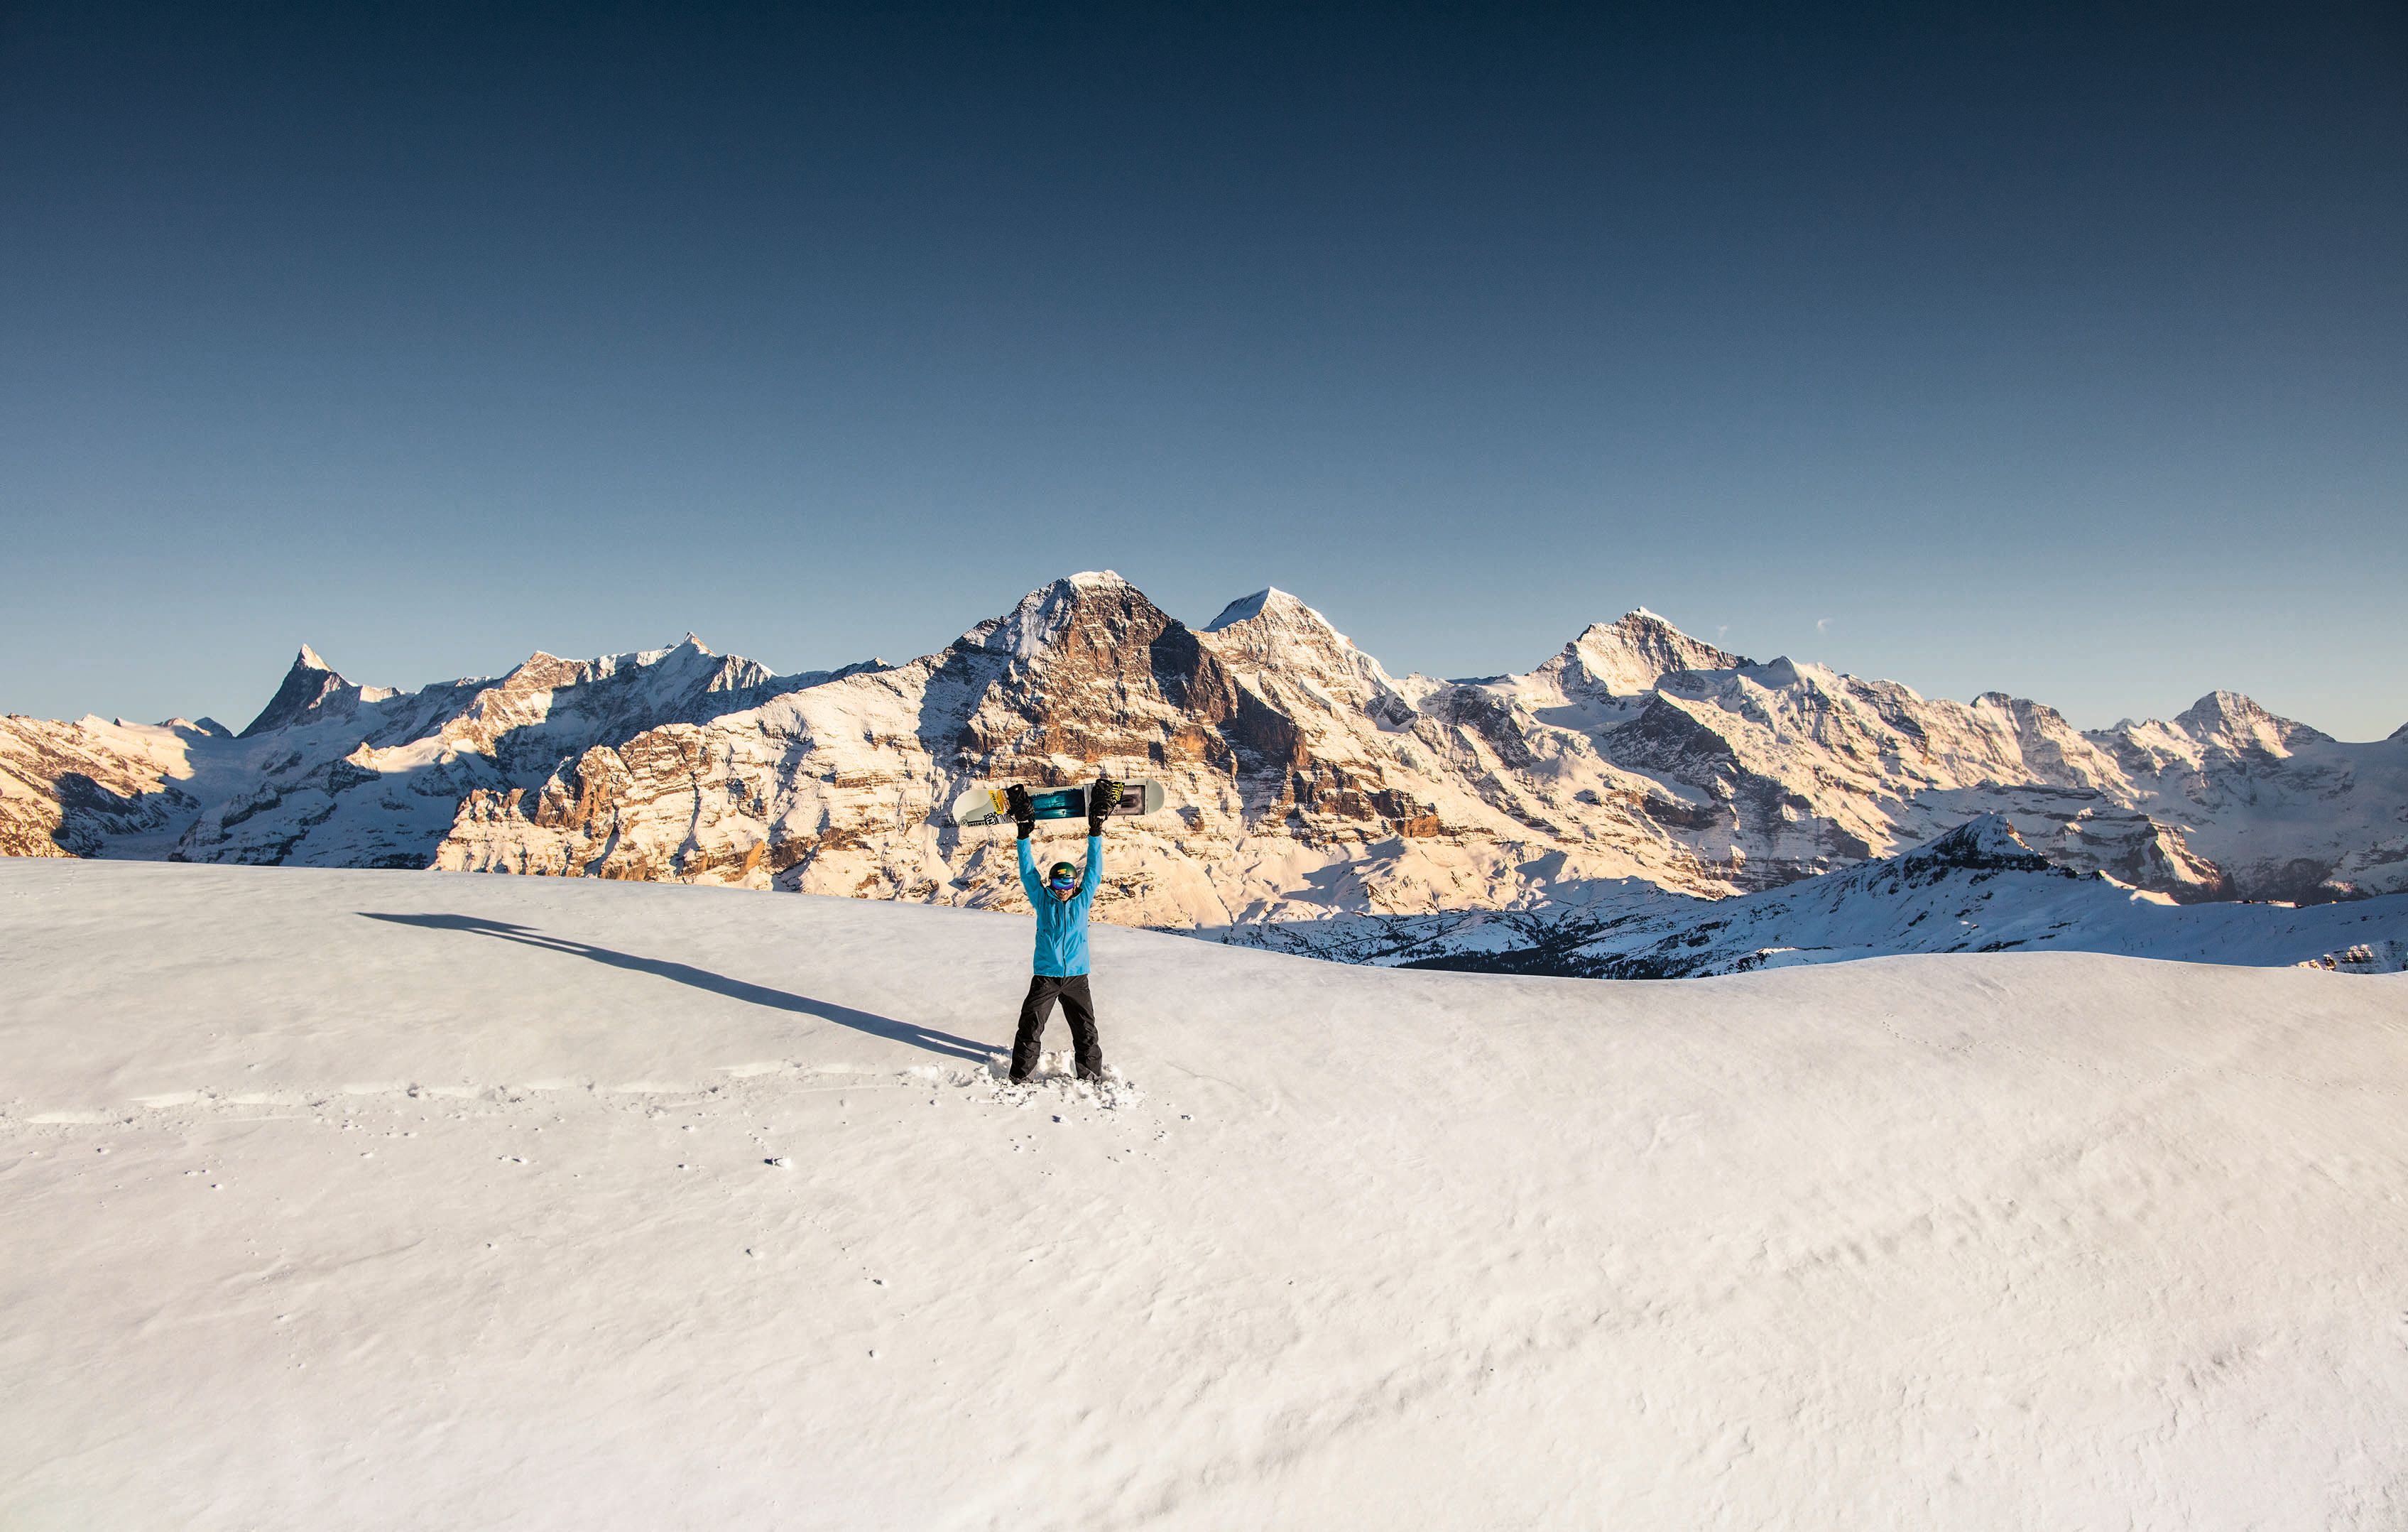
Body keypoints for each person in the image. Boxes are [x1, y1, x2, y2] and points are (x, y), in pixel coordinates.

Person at [1006, 775, 1120, 1085]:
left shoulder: (1082, 901)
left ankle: (1091, 1075)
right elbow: (1028, 873)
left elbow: (1094, 870)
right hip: (1045, 975)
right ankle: (1020, 1076)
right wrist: (1024, 836)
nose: (1062, 889)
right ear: (1050, 883)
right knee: (1030, 1028)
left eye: (1067, 882)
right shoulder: (1044, 902)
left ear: (1074, 883)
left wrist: (1095, 831)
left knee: (1086, 1031)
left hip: (1077, 977)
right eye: (1057, 882)